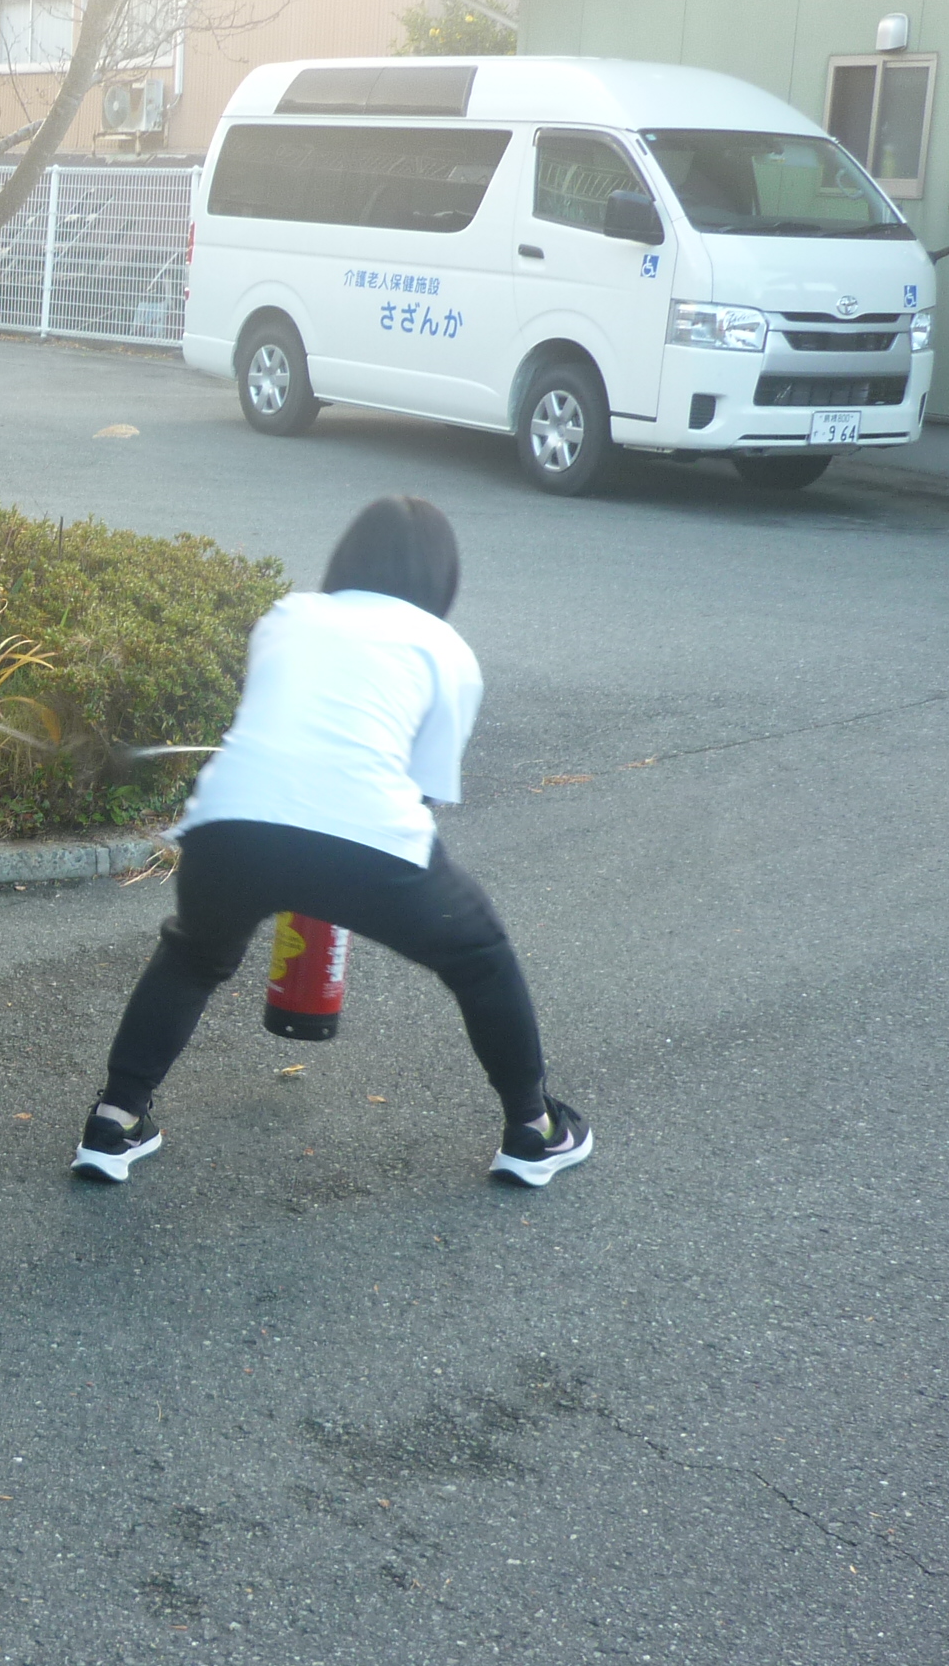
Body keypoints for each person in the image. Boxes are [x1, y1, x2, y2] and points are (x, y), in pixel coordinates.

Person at [71, 494, 593, 1189]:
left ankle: (115, 1121)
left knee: (193, 957)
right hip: (365, 837)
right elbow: (424, 788)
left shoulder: (290, 615)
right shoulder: (445, 649)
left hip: (229, 825)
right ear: (443, 576)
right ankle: (534, 1129)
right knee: (479, 957)